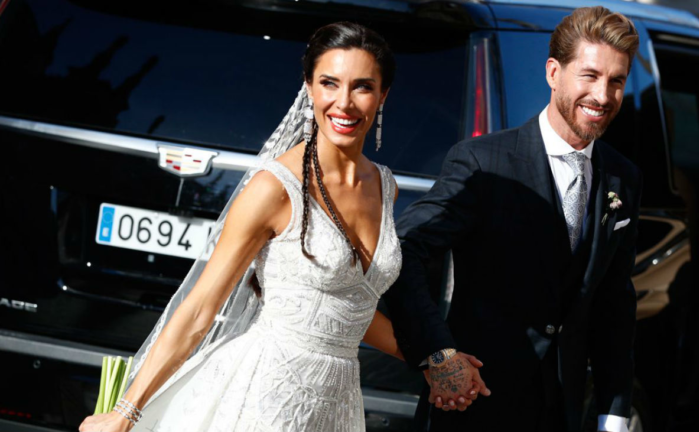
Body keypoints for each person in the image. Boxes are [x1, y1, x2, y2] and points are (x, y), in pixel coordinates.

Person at [78, 22, 483, 432]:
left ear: (383, 96)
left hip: (338, 407)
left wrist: (436, 358)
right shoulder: (274, 188)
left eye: (362, 87)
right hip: (264, 401)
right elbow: (200, 308)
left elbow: (348, 312)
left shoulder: (385, 186)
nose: (344, 103)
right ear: (309, 88)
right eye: (329, 83)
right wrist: (125, 413)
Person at [384, 6, 642, 432]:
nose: (603, 95)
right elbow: (404, 250)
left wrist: (613, 415)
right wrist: (437, 353)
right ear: (553, 72)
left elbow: (615, 304)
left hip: (562, 412)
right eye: (590, 76)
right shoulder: (483, 162)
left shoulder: (623, 177)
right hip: (475, 406)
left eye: (616, 81)